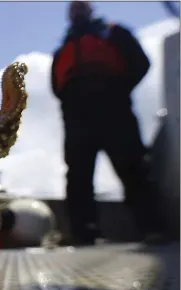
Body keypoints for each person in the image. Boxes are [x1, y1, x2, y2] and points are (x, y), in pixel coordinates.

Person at [50, 1, 166, 246]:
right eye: (72, 8)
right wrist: (72, 102)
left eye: (81, 7)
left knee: (133, 167)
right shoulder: (63, 49)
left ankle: (151, 227)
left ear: (91, 9)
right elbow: (56, 85)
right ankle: (83, 233)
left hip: (115, 111)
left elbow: (140, 62)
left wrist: (117, 90)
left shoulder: (114, 32)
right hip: (77, 118)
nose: (76, 11)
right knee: (78, 176)